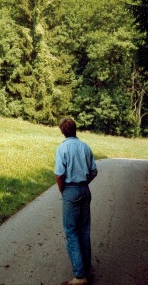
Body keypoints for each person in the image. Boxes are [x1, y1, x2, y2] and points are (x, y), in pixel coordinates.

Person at [55, 117, 98, 285]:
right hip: (85, 190)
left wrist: (63, 190)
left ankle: (80, 276)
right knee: (84, 230)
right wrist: (84, 184)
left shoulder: (62, 148)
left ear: (63, 131)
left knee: (71, 232)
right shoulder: (85, 147)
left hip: (70, 190)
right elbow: (94, 171)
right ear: (75, 129)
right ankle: (86, 269)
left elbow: (59, 175)